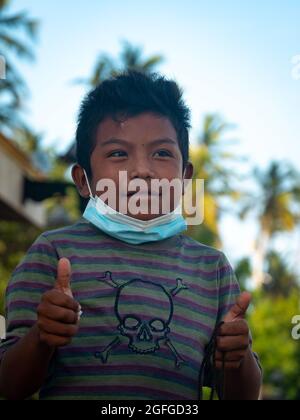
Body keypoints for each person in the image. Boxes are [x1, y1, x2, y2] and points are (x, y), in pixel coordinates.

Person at [0, 71, 262, 400]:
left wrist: (236, 357)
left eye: (162, 153)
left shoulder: (212, 269)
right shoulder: (53, 254)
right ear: (83, 180)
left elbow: (243, 395)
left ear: (184, 177)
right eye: (118, 154)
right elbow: (9, 385)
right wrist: (42, 336)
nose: (142, 170)